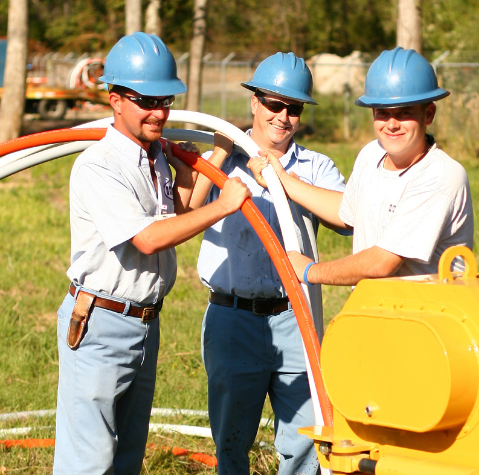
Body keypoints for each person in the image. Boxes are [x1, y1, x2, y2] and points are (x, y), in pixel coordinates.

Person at [53, 32, 250, 474]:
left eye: (165, 100)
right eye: (146, 100)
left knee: (126, 457)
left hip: (144, 321)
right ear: (115, 100)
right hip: (101, 322)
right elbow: (147, 238)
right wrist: (224, 204)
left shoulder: (154, 155)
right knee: (89, 460)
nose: (159, 112)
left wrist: (186, 172)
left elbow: (174, 216)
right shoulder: (99, 165)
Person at [190, 52, 349, 475]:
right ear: (255, 103)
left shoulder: (316, 167)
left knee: (304, 443)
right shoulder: (222, 162)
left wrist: (284, 181)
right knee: (231, 442)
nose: (283, 117)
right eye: (274, 105)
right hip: (232, 316)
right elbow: (182, 210)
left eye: (293, 108)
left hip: (294, 319)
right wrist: (221, 154)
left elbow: (349, 216)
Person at [249, 46, 474, 286]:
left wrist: (309, 271)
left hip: (426, 315)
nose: (392, 124)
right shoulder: (371, 154)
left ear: (428, 114)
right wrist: (283, 180)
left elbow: (381, 263)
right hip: (376, 310)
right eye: (383, 113)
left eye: (404, 112)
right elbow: (346, 213)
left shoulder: (440, 175)